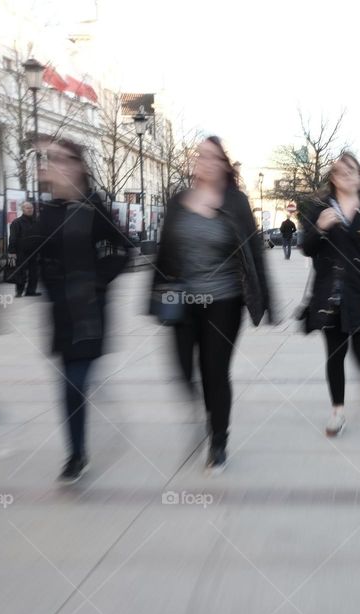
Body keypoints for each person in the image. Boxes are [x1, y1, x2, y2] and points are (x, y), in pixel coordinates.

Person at [151, 136, 274, 472]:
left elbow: (254, 251)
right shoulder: (179, 201)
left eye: (212, 157)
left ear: (223, 164)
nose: (204, 162)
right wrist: (155, 294)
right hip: (181, 298)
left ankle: (218, 439)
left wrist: (267, 299)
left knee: (214, 371)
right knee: (181, 368)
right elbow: (164, 251)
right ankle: (206, 415)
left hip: (224, 300)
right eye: (200, 156)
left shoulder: (234, 202)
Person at [27, 138, 128, 484]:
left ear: (74, 166)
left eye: (55, 159)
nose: (49, 165)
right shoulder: (48, 210)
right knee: (69, 382)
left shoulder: (93, 206)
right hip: (60, 312)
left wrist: (98, 282)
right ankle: (77, 449)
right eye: (48, 160)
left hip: (88, 310)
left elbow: (121, 250)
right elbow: (41, 255)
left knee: (74, 381)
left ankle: (76, 455)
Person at [299, 152, 360, 438]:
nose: (349, 176)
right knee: (335, 355)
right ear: (333, 178)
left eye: (354, 171)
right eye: (342, 172)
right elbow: (307, 248)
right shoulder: (320, 209)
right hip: (330, 296)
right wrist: (319, 228)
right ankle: (337, 412)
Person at [8, 201, 41, 296]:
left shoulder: (36, 222)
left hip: (34, 251)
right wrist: (12, 251)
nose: (30, 209)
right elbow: (13, 237)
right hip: (21, 251)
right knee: (20, 272)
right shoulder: (17, 222)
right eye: (27, 208)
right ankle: (19, 291)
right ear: (23, 209)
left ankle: (31, 291)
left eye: (31, 208)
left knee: (34, 273)